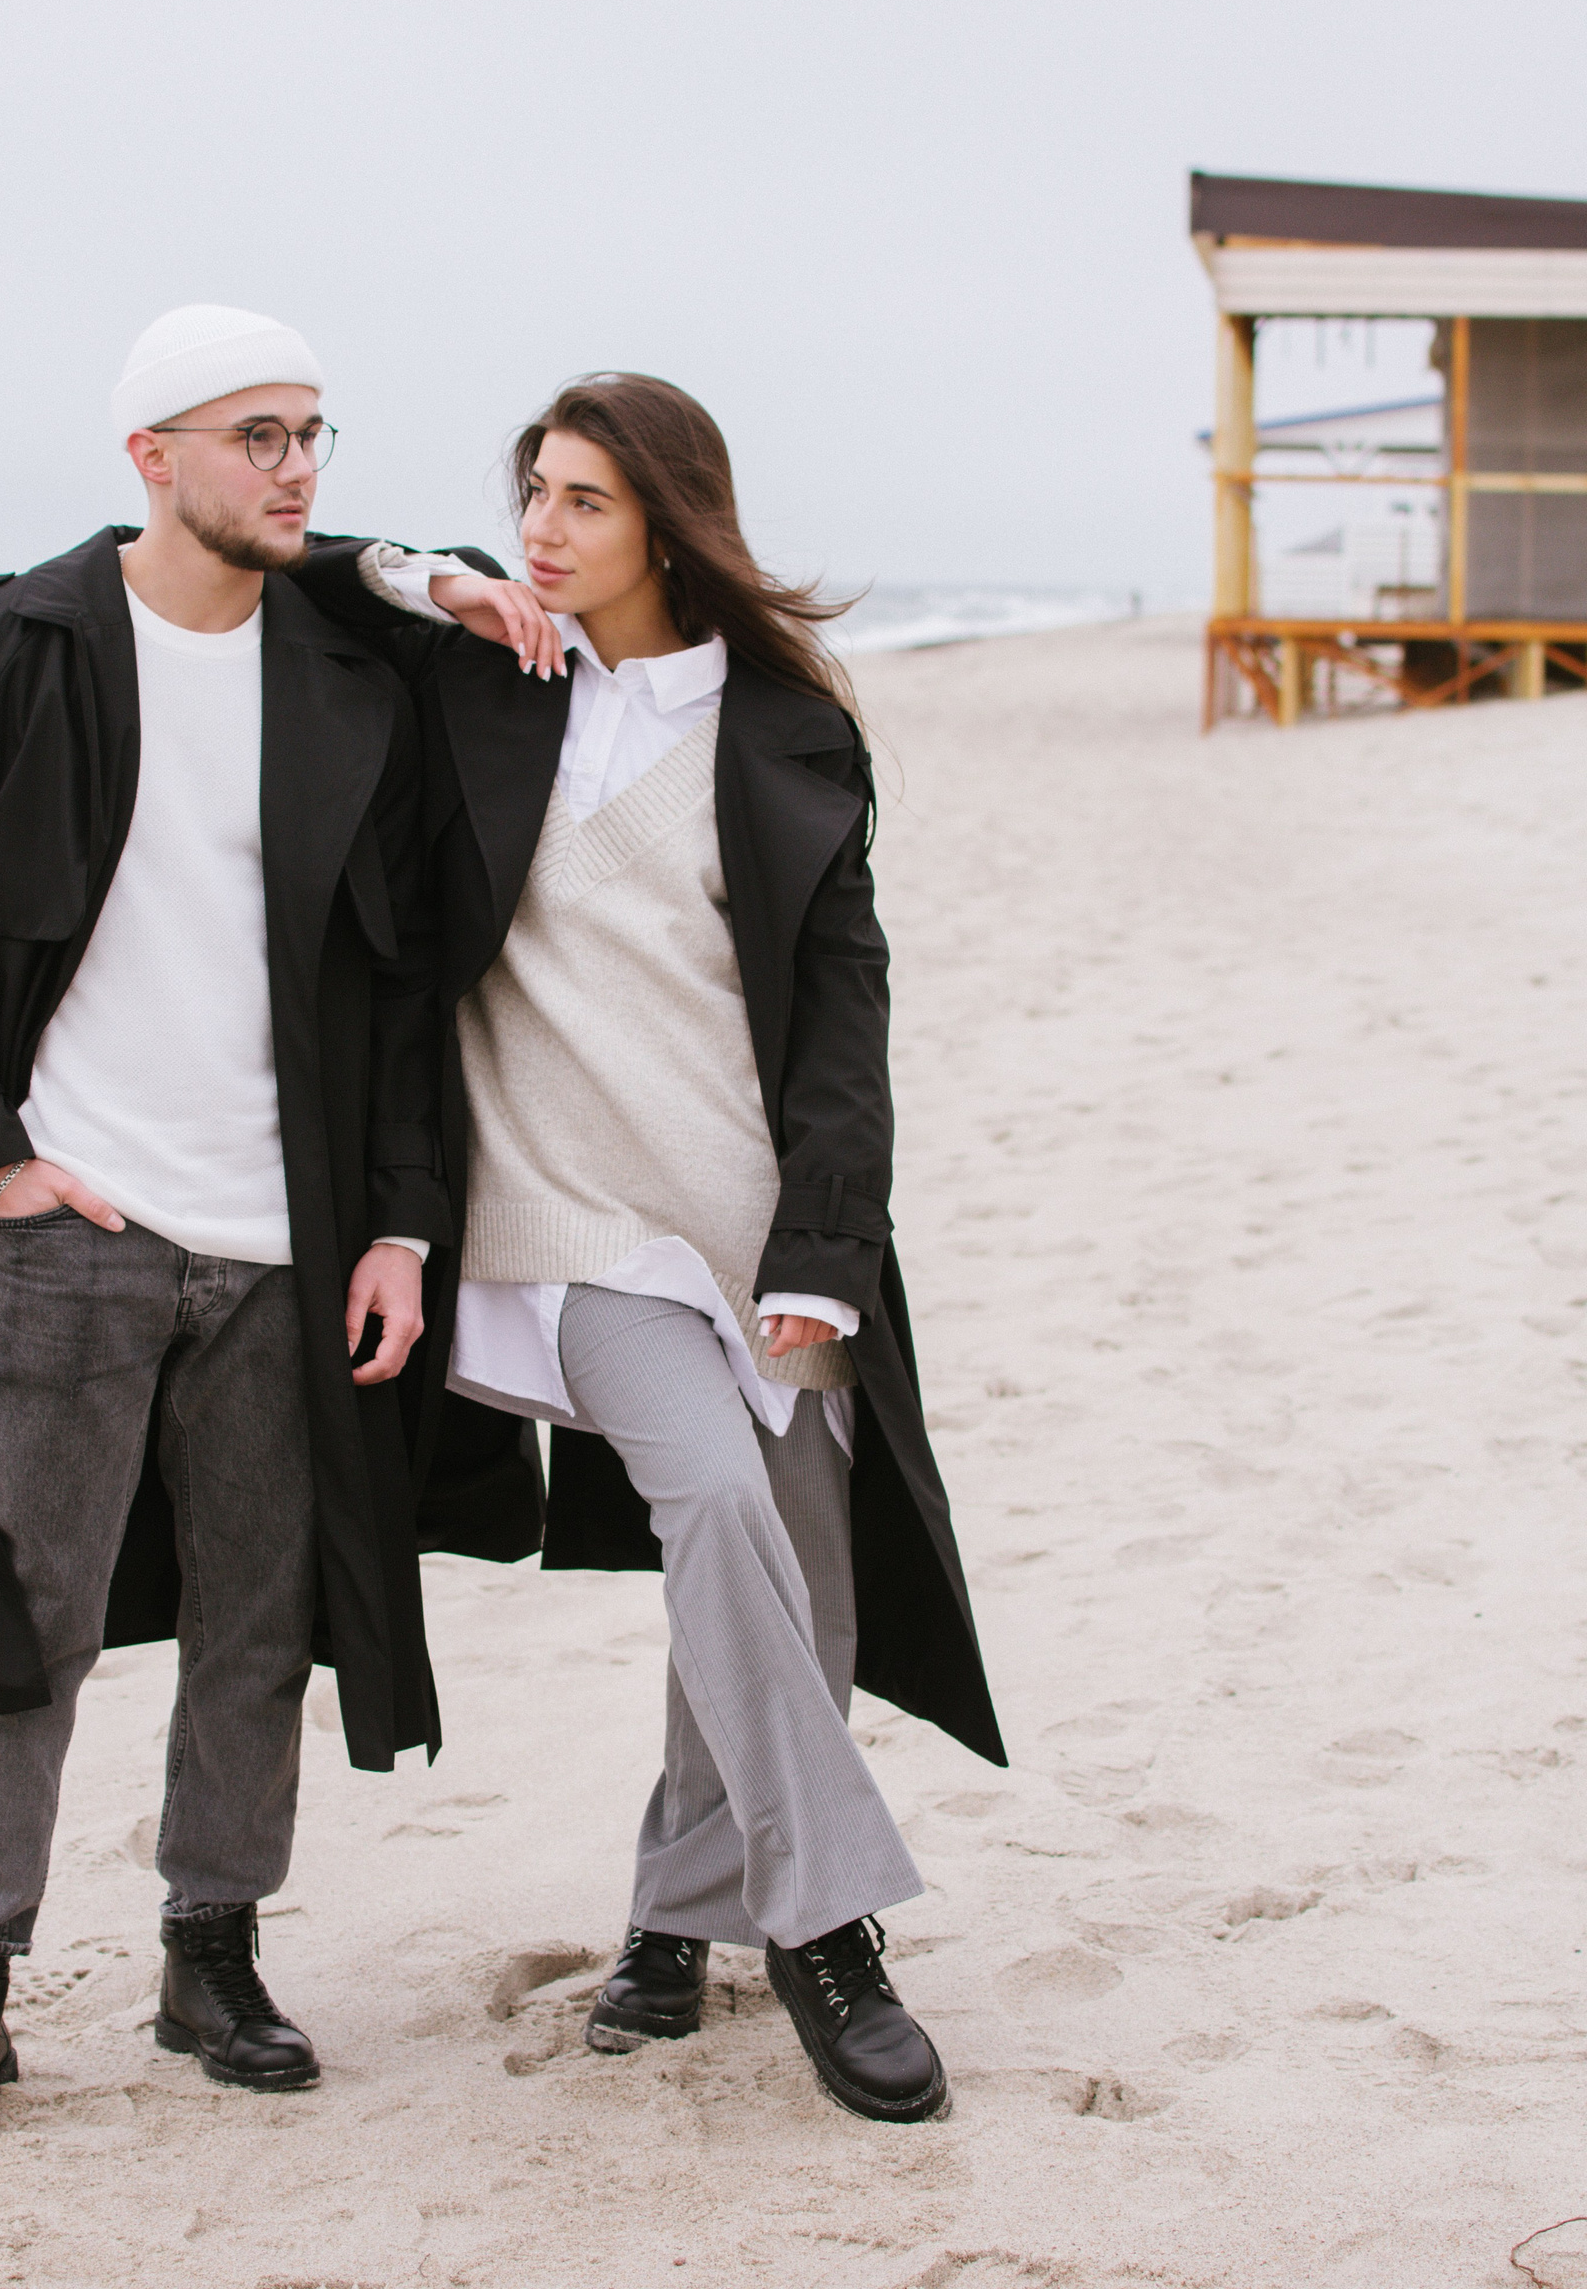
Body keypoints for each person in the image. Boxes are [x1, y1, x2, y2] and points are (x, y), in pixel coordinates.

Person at [298, 373, 1005, 2126]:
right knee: (717, 1506)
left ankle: (675, 1922)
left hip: (758, 1229)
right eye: (533, 493)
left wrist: (824, 1251)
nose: (542, 530)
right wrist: (439, 581)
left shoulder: (784, 731)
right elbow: (294, 566)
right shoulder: (484, 677)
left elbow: (843, 1017)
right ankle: (827, 1930)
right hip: (570, 1222)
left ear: (669, 529)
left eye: (585, 502)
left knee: (792, 1586)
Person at [0, 306, 450, 2158]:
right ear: (151, 456)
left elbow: (403, 982)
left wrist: (400, 1226)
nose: (296, 465)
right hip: (73, 1229)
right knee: (18, 1626)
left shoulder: (347, 665)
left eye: (314, 433)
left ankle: (212, 1957)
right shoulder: (9, 644)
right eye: (257, 434)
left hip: (286, 1240)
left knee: (257, 1619)